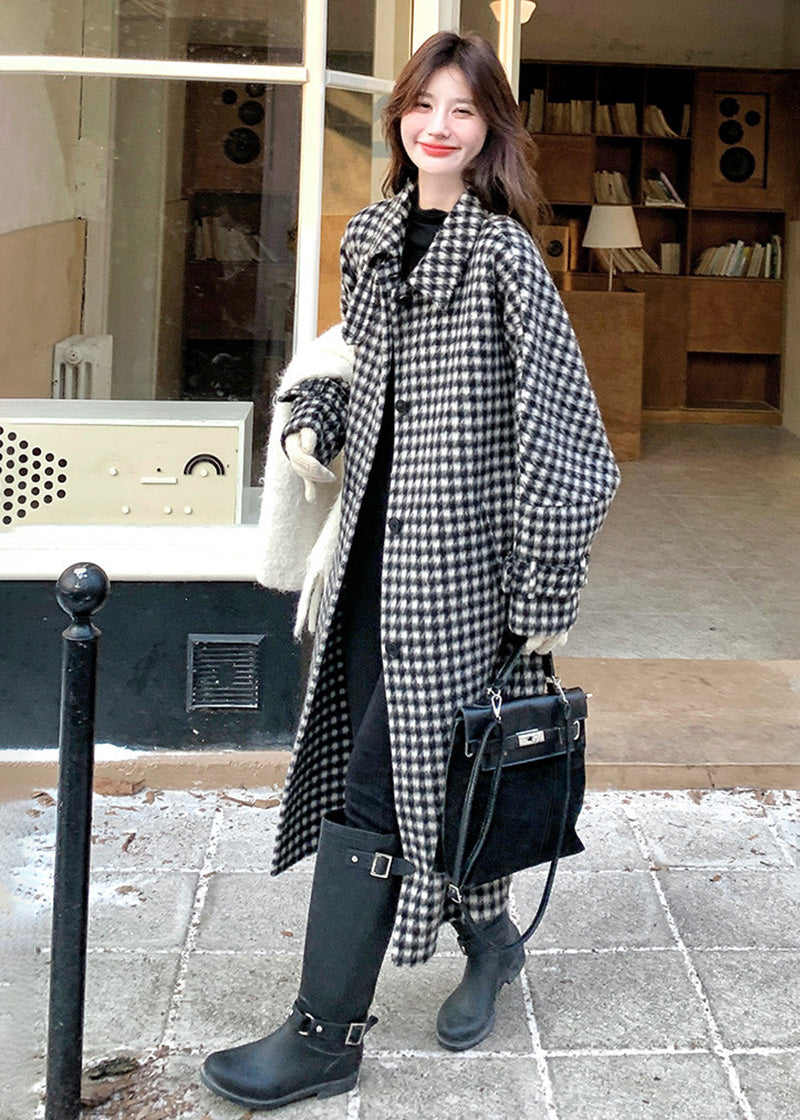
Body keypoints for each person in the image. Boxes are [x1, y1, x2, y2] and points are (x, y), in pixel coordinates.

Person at [201, 30, 620, 1112]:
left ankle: (322, 1036)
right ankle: (489, 942)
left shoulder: (504, 257)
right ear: (398, 119)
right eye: (422, 105)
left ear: (489, 134)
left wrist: (531, 600)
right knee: (427, 776)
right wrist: (316, 414)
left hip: (459, 584)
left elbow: (573, 445)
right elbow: (358, 368)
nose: (438, 125)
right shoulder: (374, 236)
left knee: (379, 788)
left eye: (463, 111)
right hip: (367, 573)